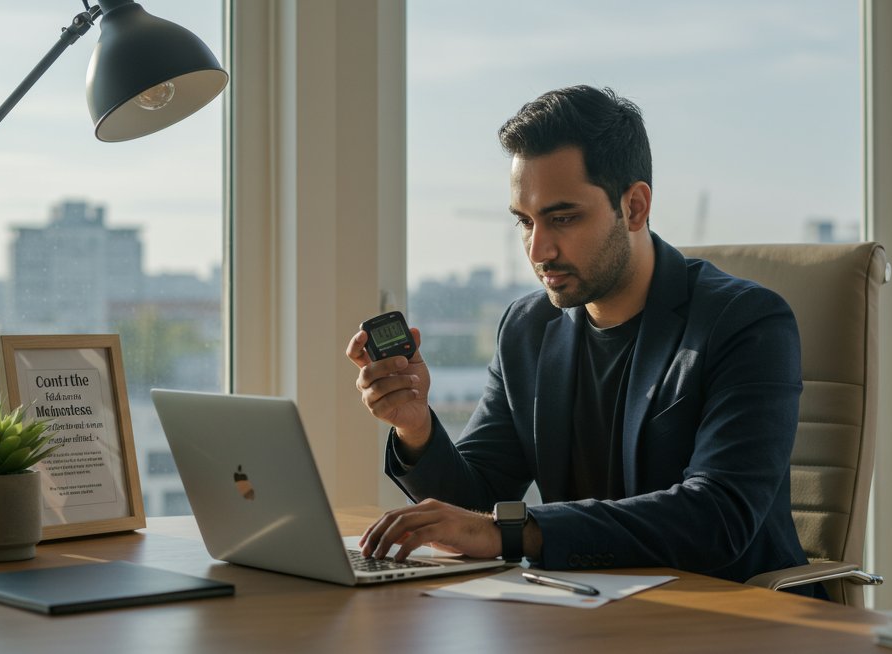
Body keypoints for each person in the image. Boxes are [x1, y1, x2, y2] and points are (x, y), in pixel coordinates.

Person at [346, 85, 816, 594]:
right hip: (585, 609)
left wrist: (519, 531)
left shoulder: (745, 321)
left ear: (634, 207)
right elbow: (476, 501)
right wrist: (417, 428)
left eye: (562, 217)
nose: (538, 248)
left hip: (733, 615)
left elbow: (718, 517)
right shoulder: (526, 329)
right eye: (524, 222)